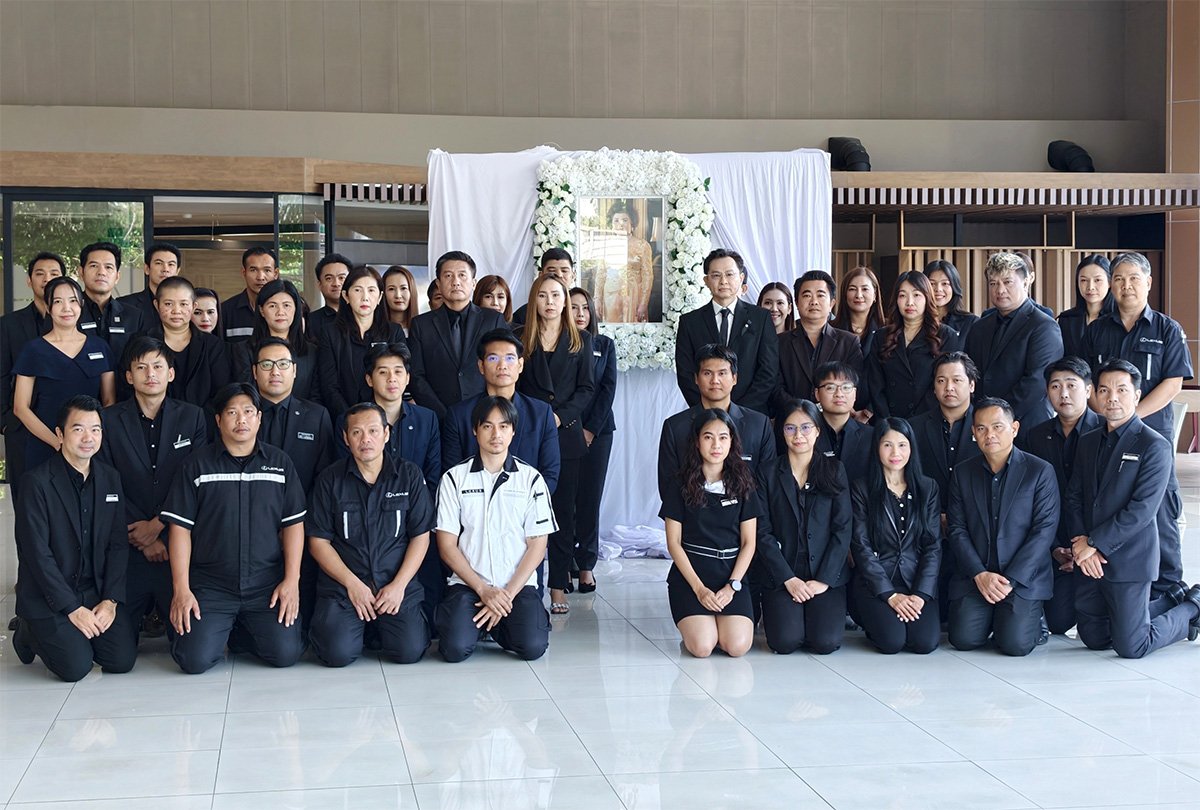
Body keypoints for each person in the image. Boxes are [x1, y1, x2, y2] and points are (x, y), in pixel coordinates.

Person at [162, 383, 307, 674]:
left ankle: (239, 631)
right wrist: (182, 590)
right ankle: (222, 627)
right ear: (218, 420)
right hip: (211, 585)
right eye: (232, 413)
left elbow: (293, 524)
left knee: (285, 654)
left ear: (259, 418)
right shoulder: (197, 465)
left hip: (265, 584)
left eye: (248, 412)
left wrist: (292, 581)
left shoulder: (280, 464)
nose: (241, 420)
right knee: (194, 661)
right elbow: (180, 529)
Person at [1066, 359, 1200, 658]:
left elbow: (1142, 510)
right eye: (1104, 390)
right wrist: (1080, 543)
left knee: (1131, 646)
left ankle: (1192, 606)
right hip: (1089, 557)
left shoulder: (1155, 445)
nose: (1112, 397)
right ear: (1095, 395)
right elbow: (1074, 497)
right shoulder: (1087, 441)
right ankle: (1169, 599)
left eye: (1122, 390)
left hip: (1130, 557)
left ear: (1137, 396)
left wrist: (1095, 543)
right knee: (1095, 638)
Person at [1080, 252, 1192, 599]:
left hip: (1151, 436)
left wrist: (1129, 418)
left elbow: (1173, 383)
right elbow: (1086, 382)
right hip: (1104, 435)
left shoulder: (1167, 329)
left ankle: (1170, 589)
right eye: (1119, 279)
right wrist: (1109, 415)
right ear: (1111, 285)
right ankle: (1115, 581)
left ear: (1148, 282)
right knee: (1109, 503)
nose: (1126, 286)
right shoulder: (1097, 330)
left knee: (1158, 509)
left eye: (1133, 278)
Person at [11, 395, 137, 682]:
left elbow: (118, 544)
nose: (88, 438)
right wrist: (71, 608)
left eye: (95, 429)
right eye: (78, 429)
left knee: (121, 660)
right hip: (48, 595)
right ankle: (28, 630)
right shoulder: (37, 483)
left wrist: (110, 600)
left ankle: (73, 632)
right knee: (75, 667)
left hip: (94, 591)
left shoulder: (110, 478)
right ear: (60, 434)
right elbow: (37, 554)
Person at [97, 337, 208, 650]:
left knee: (190, 647)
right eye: (141, 367)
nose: (150, 374)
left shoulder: (193, 417)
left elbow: (196, 482)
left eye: (158, 366)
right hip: (127, 546)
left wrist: (159, 525)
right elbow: (106, 483)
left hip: (177, 546)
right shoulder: (108, 421)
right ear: (128, 376)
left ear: (170, 373)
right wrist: (142, 537)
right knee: (116, 655)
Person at [307, 402, 436, 666]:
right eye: (357, 432)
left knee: (409, 652)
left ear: (386, 434)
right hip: (345, 587)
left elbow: (421, 536)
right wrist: (352, 585)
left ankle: (378, 629)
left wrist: (399, 586)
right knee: (336, 654)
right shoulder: (329, 480)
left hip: (395, 584)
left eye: (373, 431)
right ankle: (356, 628)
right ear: (346, 438)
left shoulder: (409, 475)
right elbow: (318, 542)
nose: (365, 439)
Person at [435, 396, 555, 662]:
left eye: (503, 426)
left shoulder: (531, 479)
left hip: (516, 586)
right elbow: (446, 546)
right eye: (487, 426)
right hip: (469, 584)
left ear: (513, 431)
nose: (496, 434)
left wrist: (506, 595)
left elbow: (538, 545)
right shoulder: (454, 478)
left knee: (533, 647)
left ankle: (495, 623)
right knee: (454, 649)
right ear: (475, 430)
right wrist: (483, 590)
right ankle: (480, 624)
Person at [946, 397, 1059, 656]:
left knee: (1015, 645)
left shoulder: (1039, 471)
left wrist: (1012, 580)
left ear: (1014, 428)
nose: (990, 435)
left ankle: (1033, 621)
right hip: (978, 573)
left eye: (998, 427)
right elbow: (957, 528)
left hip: (1022, 577)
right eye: (982, 428)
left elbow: (1043, 531)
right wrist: (978, 573)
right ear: (973, 433)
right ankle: (996, 617)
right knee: (963, 640)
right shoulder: (963, 472)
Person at [349, 342, 444, 627]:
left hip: (415, 523)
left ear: (408, 378)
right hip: (366, 524)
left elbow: (433, 476)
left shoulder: (427, 419)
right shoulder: (353, 420)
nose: (392, 379)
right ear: (369, 379)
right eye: (383, 372)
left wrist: (416, 518)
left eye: (398, 371)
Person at [516, 275, 595, 614]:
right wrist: (535, 417)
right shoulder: (521, 337)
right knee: (524, 513)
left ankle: (558, 585)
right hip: (527, 432)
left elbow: (587, 388)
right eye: (543, 296)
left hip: (566, 434)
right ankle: (523, 583)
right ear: (534, 300)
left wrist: (560, 417)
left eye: (556, 296)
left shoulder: (581, 340)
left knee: (562, 513)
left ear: (565, 301)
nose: (550, 302)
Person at [755, 399, 852, 655]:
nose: (798, 435)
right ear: (782, 431)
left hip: (824, 570)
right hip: (783, 570)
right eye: (790, 428)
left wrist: (823, 580)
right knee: (785, 642)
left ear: (818, 431)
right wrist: (787, 578)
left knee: (825, 643)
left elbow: (842, 529)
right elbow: (762, 531)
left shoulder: (834, 469)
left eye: (806, 427)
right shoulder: (767, 472)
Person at [1016, 357, 1103, 636]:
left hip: (1098, 546)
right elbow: (1029, 500)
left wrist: (1089, 546)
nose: (1063, 393)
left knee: (1104, 627)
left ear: (1088, 390)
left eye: (1071, 385)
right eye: (1055, 386)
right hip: (1057, 545)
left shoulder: (1106, 432)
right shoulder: (1035, 437)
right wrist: (1054, 547)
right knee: (1057, 622)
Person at [661, 409, 758, 658]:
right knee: (702, 647)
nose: (716, 445)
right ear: (696, 441)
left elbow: (749, 543)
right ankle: (702, 626)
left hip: (731, 576)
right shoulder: (679, 484)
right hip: (692, 578)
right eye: (708, 437)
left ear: (732, 442)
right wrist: (700, 589)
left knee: (736, 646)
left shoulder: (744, 482)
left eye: (723, 437)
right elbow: (673, 543)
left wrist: (732, 586)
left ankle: (718, 624)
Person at [850, 417, 942, 655]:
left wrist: (920, 595)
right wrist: (889, 595)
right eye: (887, 445)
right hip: (877, 581)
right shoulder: (862, 488)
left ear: (911, 448)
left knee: (924, 643)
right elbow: (861, 546)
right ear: (876, 448)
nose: (895, 453)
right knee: (892, 642)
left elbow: (932, 546)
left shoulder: (927, 488)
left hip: (915, 579)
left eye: (902, 445)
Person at [13, 276, 116, 473]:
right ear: (48, 307)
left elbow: (109, 401)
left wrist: (91, 440)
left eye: (73, 301)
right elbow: (20, 408)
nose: (66, 308)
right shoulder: (33, 350)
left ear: (81, 305)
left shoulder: (100, 347)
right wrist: (57, 442)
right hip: (45, 446)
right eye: (58, 301)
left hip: (89, 448)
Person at [442, 329, 561, 494]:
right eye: (493, 358)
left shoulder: (541, 413)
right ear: (481, 366)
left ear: (520, 365)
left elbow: (550, 473)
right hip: (474, 506)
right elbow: (453, 473)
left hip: (527, 505)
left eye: (510, 358)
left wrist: (524, 504)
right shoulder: (459, 415)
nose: (502, 365)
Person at [658, 344, 775, 503]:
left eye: (722, 373)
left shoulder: (759, 425)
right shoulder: (675, 427)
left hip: (748, 515)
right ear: (696, 378)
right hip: (694, 514)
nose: (715, 380)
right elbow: (668, 487)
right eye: (707, 373)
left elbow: (767, 482)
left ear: (734, 378)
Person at [964, 252, 1063, 424]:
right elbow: (969, 372)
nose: (1000, 290)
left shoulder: (1044, 326)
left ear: (1025, 283)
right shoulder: (979, 326)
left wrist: (998, 417)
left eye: (1007, 282)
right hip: (983, 423)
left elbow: (1037, 381)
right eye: (993, 283)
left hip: (1026, 422)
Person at [675, 249, 778, 415]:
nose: (723, 281)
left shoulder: (761, 318)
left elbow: (768, 371)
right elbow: (685, 374)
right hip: (705, 416)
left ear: (741, 278)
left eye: (730, 274)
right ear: (706, 280)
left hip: (751, 414)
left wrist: (739, 412)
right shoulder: (690, 322)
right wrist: (709, 410)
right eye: (716, 275)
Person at [408, 251, 507, 418]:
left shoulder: (493, 320)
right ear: (438, 284)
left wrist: (490, 409)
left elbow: (503, 367)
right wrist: (442, 414)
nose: (456, 282)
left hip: (486, 415)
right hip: (438, 417)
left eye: (462, 275)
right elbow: (416, 376)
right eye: (448, 276)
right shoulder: (421, 325)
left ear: (474, 283)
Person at [1, 251, 65, 497]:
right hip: (22, 427)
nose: (47, 279)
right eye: (40, 274)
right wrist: (5, 422)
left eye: (54, 274)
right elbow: (1, 374)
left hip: (64, 425)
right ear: (29, 281)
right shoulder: (9, 325)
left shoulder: (75, 322)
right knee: (26, 498)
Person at [570, 287, 617, 596]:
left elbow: (607, 389)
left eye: (584, 308)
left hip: (598, 432)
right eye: (573, 307)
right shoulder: (559, 344)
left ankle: (586, 564)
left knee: (590, 498)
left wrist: (590, 429)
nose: (580, 314)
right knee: (565, 499)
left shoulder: (604, 344)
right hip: (565, 430)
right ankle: (564, 563)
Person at [866, 270, 960, 419]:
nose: (909, 302)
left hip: (928, 420)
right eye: (902, 295)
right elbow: (875, 384)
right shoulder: (881, 336)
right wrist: (888, 422)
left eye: (916, 295)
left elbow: (944, 383)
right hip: (888, 421)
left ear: (927, 298)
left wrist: (918, 422)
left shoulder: (946, 336)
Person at [317, 265, 406, 416]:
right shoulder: (330, 333)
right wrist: (350, 418)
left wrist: (378, 419)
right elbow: (329, 385)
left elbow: (399, 377)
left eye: (371, 290)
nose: (365, 297)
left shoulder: (393, 332)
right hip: (343, 417)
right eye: (358, 290)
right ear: (346, 296)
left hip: (385, 418)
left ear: (379, 297)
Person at [776, 270, 863, 418]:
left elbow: (855, 384)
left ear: (832, 303)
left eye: (821, 295)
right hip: (791, 421)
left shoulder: (849, 342)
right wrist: (802, 411)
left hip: (835, 421)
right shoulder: (779, 342)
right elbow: (775, 387)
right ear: (796, 303)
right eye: (807, 295)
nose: (814, 301)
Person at [143, 276, 230, 410]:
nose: (176, 311)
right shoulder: (142, 342)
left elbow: (221, 392)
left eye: (183, 304)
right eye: (168, 304)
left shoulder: (213, 345)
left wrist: (196, 418)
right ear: (156, 305)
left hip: (202, 419)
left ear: (193, 306)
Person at [231, 278, 319, 402]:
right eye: (272, 306)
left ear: (296, 309)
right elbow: (246, 395)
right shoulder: (243, 350)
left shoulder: (312, 351)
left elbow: (316, 396)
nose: (280, 312)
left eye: (286, 305)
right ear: (261, 310)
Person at [76, 241, 143, 364]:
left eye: (108, 267)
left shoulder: (134, 316)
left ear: (117, 276)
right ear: (81, 272)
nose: (101, 272)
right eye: (94, 266)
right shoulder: (69, 313)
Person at [811, 362, 871, 483]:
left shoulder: (871, 436)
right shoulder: (805, 434)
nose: (839, 394)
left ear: (855, 393)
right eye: (830, 387)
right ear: (817, 394)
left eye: (846, 387)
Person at [594, 205, 654, 323]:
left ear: (632, 224)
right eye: (616, 220)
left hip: (634, 296)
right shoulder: (605, 245)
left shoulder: (642, 246)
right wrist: (597, 299)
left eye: (625, 220)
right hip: (610, 296)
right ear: (612, 224)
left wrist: (643, 303)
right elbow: (600, 274)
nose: (620, 224)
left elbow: (648, 276)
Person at [1056, 254, 1112, 359]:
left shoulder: (1118, 320)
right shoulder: (1066, 319)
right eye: (1084, 280)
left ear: (1110, 282)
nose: (1090, 287)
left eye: (1097, 280)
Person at [221, 247, 279, 342]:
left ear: (275, 274)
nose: (260, 277)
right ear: (244, 272)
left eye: (267, 270)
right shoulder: (225, 311)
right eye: (253, 270)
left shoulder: (285, 312)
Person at [118, 242, 181, 322]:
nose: (165, 269)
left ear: (177, 271)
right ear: (147, 269)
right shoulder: (124, 305)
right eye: (159, 263)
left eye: (171, 264)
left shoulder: (187, 307)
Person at [923, 260, 979, 343]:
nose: (938, 289)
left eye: (945, 284)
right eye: (932, 284)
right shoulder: (915, 322)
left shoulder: (970, 322)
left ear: (954, 286)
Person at [513, 248, 575, 324]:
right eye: (552, 271)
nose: (559, 275)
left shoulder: (582, 309)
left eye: (564, 271)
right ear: (541, 275)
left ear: (573, 275)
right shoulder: (523, 315)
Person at [831, 265, 885, 346]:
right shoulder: (830, 330)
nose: (859, 295)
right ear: (844, 294)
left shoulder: (887, 330)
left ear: (875, 295)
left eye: (865, 289)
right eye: (852, 289)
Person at [308, 253, 352, 339]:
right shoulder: (310, 321)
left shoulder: (363, 316)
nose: (336, 284)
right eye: (329, 278)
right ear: (319, 285)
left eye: (341, 278)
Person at [383, 265, 419, 336]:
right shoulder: (375, 330)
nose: (398, 295)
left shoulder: (424, 329)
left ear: (411, 291)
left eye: (403, 288)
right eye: (391, 289)